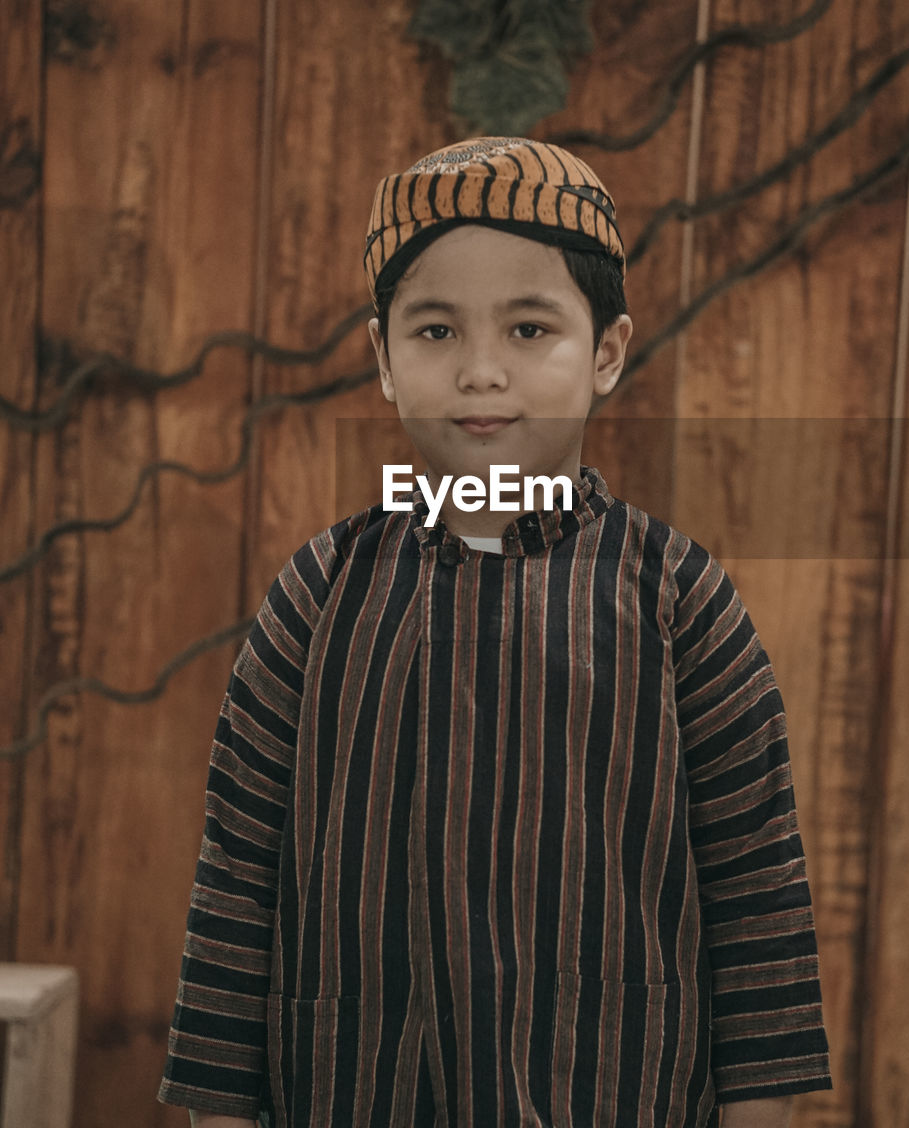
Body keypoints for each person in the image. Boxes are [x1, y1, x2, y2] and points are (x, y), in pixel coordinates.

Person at [157, 137, 832, 1127]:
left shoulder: (681, 601)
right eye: (434, 330)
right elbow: (234, 883)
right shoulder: (315, 597)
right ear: (383, 358)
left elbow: (756, 892)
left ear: (605, 350)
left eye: (528, 328)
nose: (480, 371)